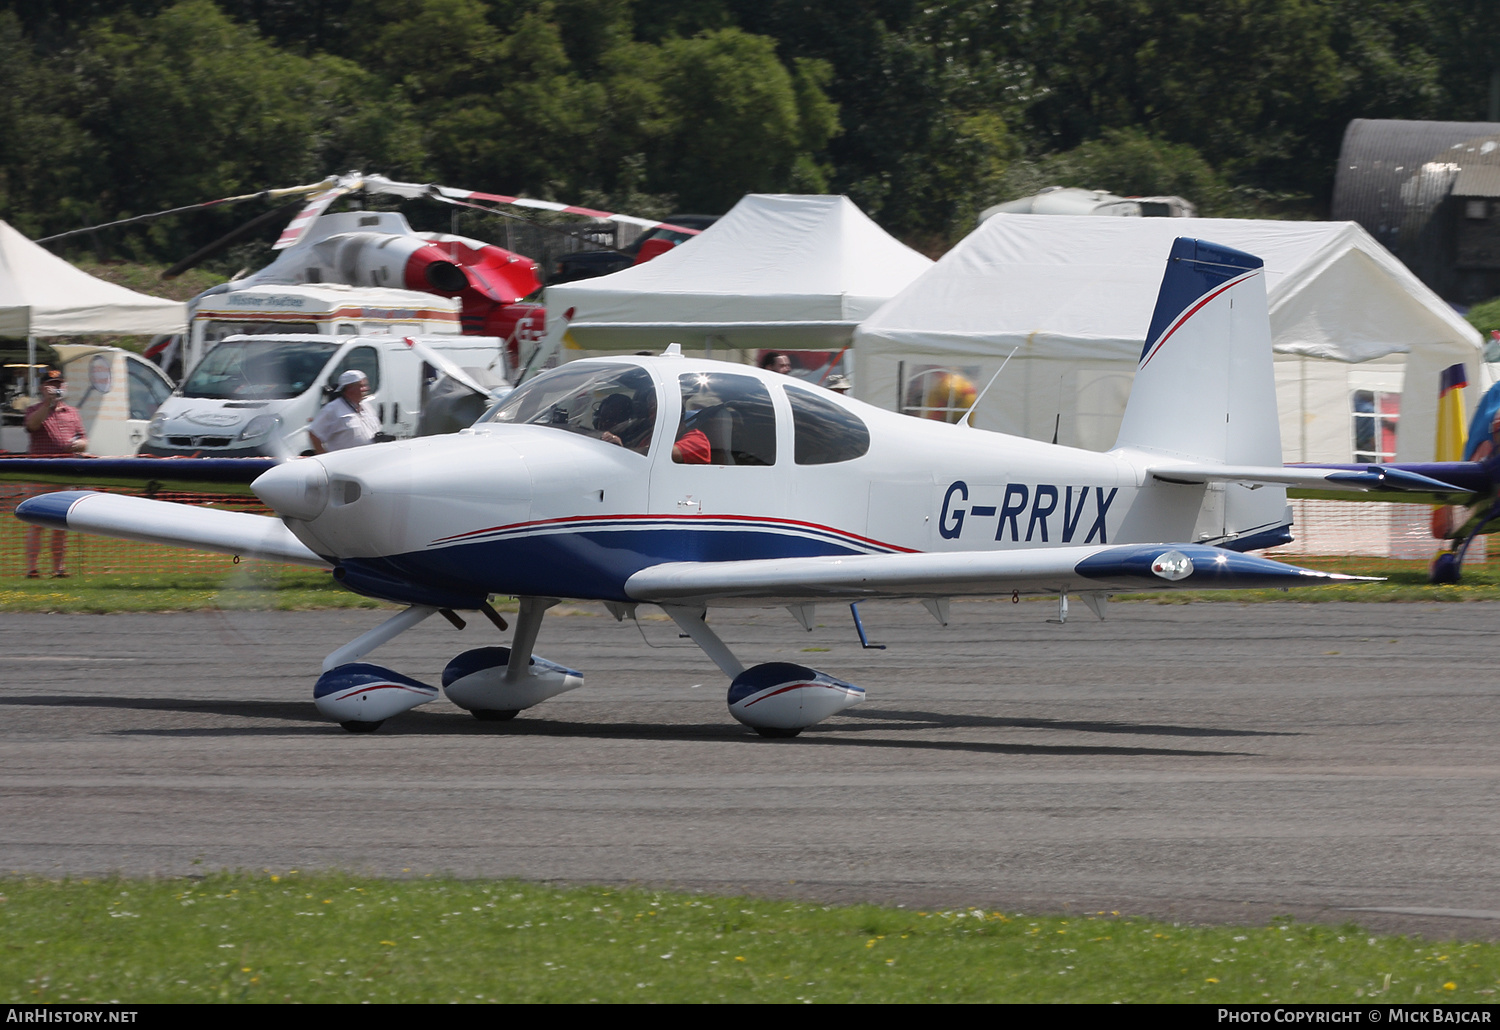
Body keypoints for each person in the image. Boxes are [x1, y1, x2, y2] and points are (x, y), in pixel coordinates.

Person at [23, 369, 87, 578]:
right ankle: (32, 568)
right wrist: (48, 404)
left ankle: (58, 568)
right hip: (41, 474)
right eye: (52, 384)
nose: (56, 387)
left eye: (59, 383)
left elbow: (84, 439)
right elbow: (32, 425)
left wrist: (79, 444)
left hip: (65, 474)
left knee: (61, 524)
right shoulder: (34, 409)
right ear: (43, 388)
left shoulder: (72, 412)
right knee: (37, 523)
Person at [309, 369, 379, 453]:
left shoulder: (367, 407)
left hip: (368, 458)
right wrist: (323, 455)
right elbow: (314, 433)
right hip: (345, 462)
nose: (366, 389)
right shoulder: (332, 409)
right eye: (361, 386)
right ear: (348, 388)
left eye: (366, 385)